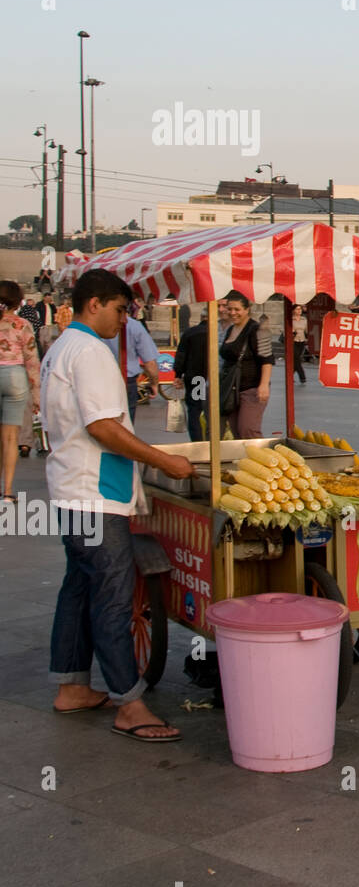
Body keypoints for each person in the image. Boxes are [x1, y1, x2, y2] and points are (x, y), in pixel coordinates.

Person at [44, 267, 197, 741]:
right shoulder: (89, 352)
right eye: (119, 309)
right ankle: (128, 704)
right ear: (95, 304)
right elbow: (103, 427)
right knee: (111, 596)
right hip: (96, 494)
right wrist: (162, 461)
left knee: (78, 588)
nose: (123, 320)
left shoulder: (60, 348)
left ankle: (71, 686)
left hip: (71, 489)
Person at [0, 280, 41, 500]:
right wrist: (36, 395)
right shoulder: (22, 324)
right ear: (17, 301)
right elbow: (32, 360)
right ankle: (7, 491)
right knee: (9, 437)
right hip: (15, 377)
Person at [220, 292, 273, 439]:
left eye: (237, 309)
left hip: (252, 388)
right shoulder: (231, 329)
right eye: (229, 309)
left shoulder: (257, 330)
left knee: (248, 429)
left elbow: (267, 359)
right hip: (232, 389)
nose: (232, 313)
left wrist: (263, 385)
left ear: (247, 309)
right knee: (236, 431)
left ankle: (265, 459)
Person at [105, 312, 162, 425]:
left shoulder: (99, 325)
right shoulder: (134, 326)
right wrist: (154, 383)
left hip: (103, 381)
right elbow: (150, 362)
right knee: (126, 423)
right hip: (127, 381)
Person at [172, 308, 215, 440]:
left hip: (197, 378)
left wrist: (178, 375)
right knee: (213, 409)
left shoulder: (190, 333)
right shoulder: (217, 333)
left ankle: (197, 440)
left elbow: (181, 356)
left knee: (195, 410)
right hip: (214, 379)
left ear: (201, 317)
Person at [290, 304, 308, 382]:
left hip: (302, 340)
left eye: (300, 309)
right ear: (293, 310)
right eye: (297, 309)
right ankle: (302, 376)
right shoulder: (291, 319)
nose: (299, 311)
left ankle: (290, 375)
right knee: (296, 358)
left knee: (296, 360)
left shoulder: (304, 319)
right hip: (293, 340)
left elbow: (306, 330)